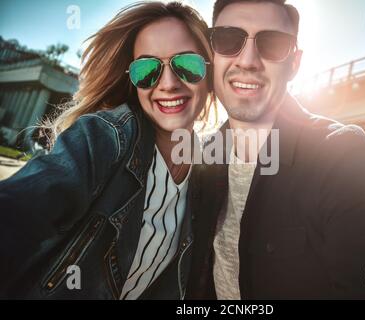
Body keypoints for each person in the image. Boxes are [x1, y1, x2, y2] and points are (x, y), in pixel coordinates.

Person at [186, 0, 365, 299]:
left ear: (294, 63)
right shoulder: (203, 156)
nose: (248, 60)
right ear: (210, 55)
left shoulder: (341, 157)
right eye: (228, 39)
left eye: (273, 44)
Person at [0, 1, 214, 300]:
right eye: (147, 69)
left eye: (187, 65)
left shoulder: (209, 178)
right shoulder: (105, 136)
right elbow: (16, 212)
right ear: (132, 80)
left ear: (210, 71)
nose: (168, 83)